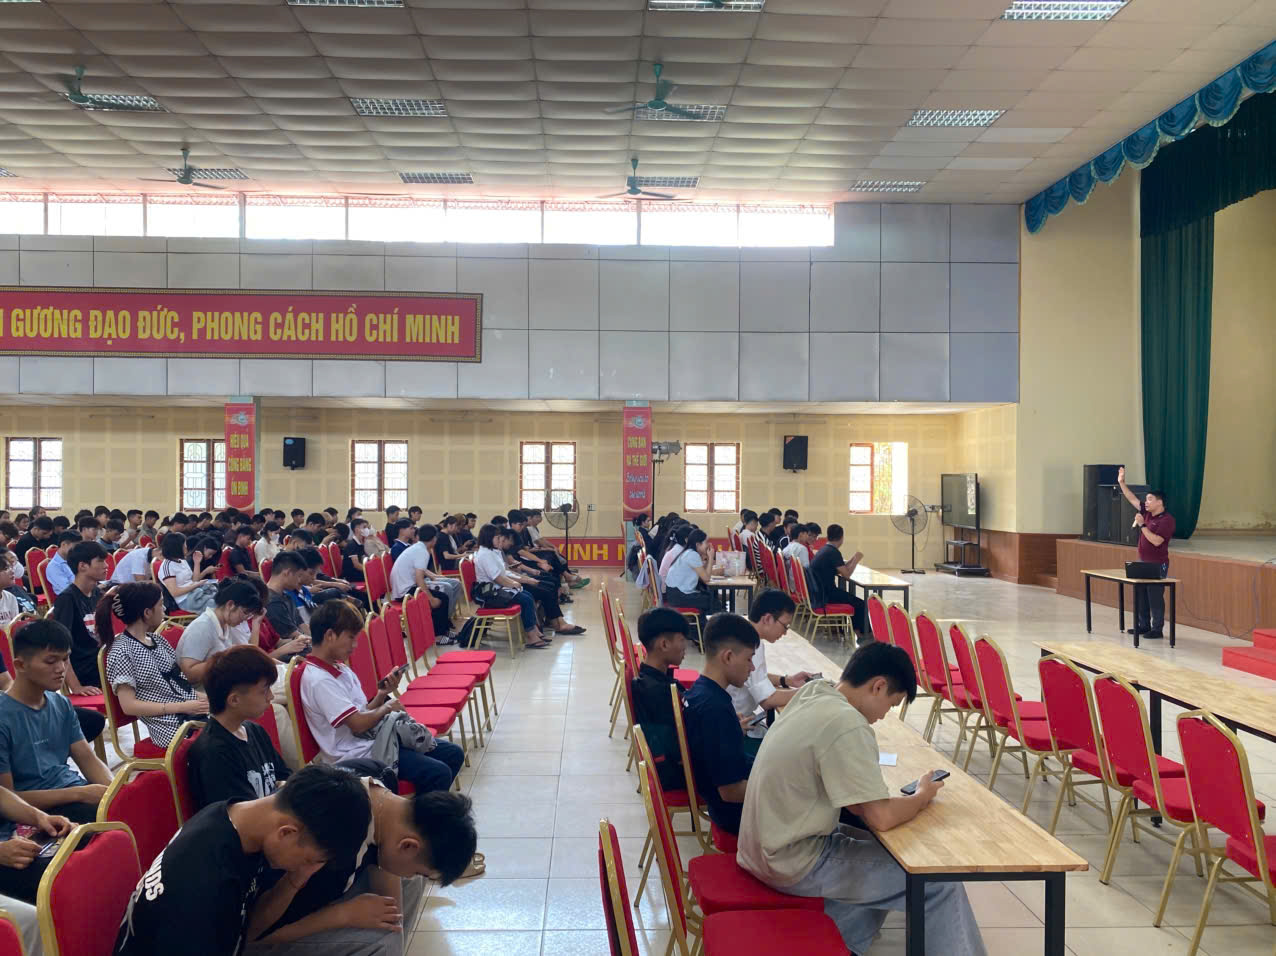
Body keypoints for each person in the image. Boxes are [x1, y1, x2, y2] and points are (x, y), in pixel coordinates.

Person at [737, 643, 985, 956]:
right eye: (891, 704)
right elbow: (881, 816)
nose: (884, 715)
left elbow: (856, 803)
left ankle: (841, 944)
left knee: (887, 853)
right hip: (790, 860)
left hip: (761, 845)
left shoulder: (814, 693)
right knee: (937, 883)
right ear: (878, 686)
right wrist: (922, 796)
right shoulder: (847, 723)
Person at [113, 763, 372, 956]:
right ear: (287, 832)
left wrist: (295, 880)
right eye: (308, 860)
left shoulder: (240, 822)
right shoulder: (203, 886)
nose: (306, 867)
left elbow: (248, 930)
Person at [243, 787, 478, 955]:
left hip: (311, 894)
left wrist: (391, 920)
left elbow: (387, 866)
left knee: (409, 885)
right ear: (408, 845)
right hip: (259, 935)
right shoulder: (332, 851)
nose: (411, 873)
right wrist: (343, 914)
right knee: (383, 943)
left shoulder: (377, 791)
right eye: (418, 870)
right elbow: (258, 934)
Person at [299, 600, 465, 793]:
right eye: (351, 638)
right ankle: (414, 811)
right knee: (438, 773)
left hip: (372, 741)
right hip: (356, 756)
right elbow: (358, 724)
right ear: (329, 635)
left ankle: (423, 807)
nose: (354, 645)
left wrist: (381, 694)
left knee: (453, 754)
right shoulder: (319, 680)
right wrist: (386, 707)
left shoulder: (339, 668)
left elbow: (362, 713)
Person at [0, 619, 113, 822]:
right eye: (50, 661)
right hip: (38, 812)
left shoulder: (60, 703)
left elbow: (87, 759)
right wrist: (79, 794)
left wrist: (114, 792)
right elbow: (7, 800)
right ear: (21, 665)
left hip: (72, 792)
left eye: (66, 659)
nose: (61, 668)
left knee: (135, 805)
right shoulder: (4, 716)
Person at [100, 583, 210, 750]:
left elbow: (177, 686)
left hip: (190, 714)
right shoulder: (122, 651)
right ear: (147, 613)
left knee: (239, 723)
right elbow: (129, 706)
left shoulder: (158, 640)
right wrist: (184, 706)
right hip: (172, 728)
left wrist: (207, 698)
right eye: (160, 604)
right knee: (226, 740)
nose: (164, 608)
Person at [683, 614, 760, 836]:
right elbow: (731, 792)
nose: (752, 667)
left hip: (721, 800)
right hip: (736, 815)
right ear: (728, 656)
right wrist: (783, 788)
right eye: (749, 659)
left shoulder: (698, 692)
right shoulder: (716, 709)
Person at [188, 645, 291, 808]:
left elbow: (286, 777)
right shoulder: (214, 752)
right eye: (264, 691)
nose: (271, 697)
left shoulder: (255, 731)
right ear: (234, 700)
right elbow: (240, 815)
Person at [630, 607, 689, 791]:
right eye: (682, 640)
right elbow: (681, 745)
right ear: (664, 644)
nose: (685, 646)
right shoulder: (659, 692)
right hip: (678, 775)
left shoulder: (651, 681)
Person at [1117, 466, 1176, 640]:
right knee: (1141, 594)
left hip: (1158, 564)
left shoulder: (1167, 520)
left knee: (1154, 596)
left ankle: (1157, 629)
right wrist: (1121, 482)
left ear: (1160, 502)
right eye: (1146, 500)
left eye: (1150, 499)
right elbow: (1131, 498)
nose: (1146, 502)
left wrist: (1142, 525)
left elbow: (1157, 541)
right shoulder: (1147, 513)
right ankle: (1143, 626)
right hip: (1143, 561)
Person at [472, 524, 552, 650]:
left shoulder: (492, 552)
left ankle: (534, 631)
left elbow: (503, 573)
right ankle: (531, 636)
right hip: (490, 594)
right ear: (488, 538)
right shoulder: (485, 554)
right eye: (497, 538)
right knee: (524, 599)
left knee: (528, 595)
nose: (500, 540)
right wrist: (514, 584)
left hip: (497, 589)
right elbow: (498, 578)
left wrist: (520, 581)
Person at [177, 578, 266, 686]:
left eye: (250, 615)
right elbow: (189, 674)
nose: (245, 619)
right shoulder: (203, 627)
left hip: (219, 682)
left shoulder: (225, 624)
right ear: (230, 605)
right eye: (245, 612)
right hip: (201, 689)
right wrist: (225, 658)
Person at [49, 539, 108, 695]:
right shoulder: (67, 599)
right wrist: (76, 687)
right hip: (87, 670)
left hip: (104, 663)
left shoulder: (97, 593)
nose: (106, 565)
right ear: (82, 566)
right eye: (100, 561)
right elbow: (60, 647)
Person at [809, 524, 866, 635]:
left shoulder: (824, 549)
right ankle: (861, 634)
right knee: (860, 604)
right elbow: (846, 575)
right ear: (841, 538)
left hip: (819, 592)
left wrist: (853, 559)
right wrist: (856, 560)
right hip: (826, 595)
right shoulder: (833, 552)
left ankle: (851, 630)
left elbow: (841, 568)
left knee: (852, 600)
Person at [663, 528, 714, 636]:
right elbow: (706, 578)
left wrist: (706, 559)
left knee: (708, 597)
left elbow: (702, 573)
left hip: (673, 593)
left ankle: (701, 632)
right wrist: (710, 557)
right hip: (678, 596)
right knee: (711, 601)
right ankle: (707, 634)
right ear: (698, 544)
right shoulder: (692, 555)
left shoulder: (688, 552)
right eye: (706, 542)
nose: (708, 545)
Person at [263, 552, 313, 661]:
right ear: (288, 573)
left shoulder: (286, 596)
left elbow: (302, 624)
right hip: (284, 654)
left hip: (298, 645)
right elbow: (293, 634)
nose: (299, 581)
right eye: (298, 576)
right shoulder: (271, 602)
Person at [159, 532, 219, 614]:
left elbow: (194, 580)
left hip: (195, 591)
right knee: (217, 606)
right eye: (184, 545)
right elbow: (175, 592)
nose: (186, 547)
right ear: (177, 547)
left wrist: (197, 562)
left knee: (221, 597)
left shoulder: (182, 561)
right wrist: (196, 585)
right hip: (186, 600)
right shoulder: (167, 567)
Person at [42, 530, 81, 597]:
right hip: (69, 600)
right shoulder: (54, 566)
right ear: (63, 545)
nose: (78, 550)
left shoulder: (75, 560)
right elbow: (68, 590)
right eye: (75, 547)